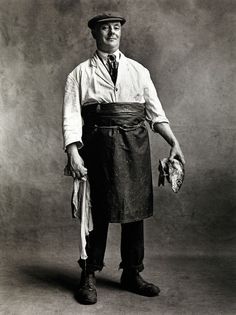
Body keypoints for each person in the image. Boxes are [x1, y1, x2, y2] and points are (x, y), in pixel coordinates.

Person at [62, 12, 185, 305]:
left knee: (134, 212)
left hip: (135, 146)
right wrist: (73, 152)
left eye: (116, 28)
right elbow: (70, 116)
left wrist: (174, 142)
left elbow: (156, 113)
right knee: (97, 211)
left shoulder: (139, 71)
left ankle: (132, 272)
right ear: (94, 33)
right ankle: (89, 274)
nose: (111, 33)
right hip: (98, 148)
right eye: (105, 28)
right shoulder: (79, 73)